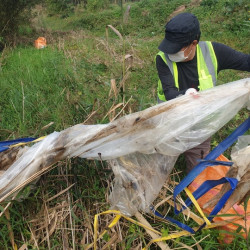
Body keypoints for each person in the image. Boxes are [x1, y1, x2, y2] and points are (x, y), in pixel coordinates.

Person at [156, 12, 250, 173]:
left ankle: (192, 185)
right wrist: (185, 95)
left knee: (197, 170)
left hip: (201, 124)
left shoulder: (213, 52)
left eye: (176, 49)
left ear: (194, 43)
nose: (171, 53)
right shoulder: (162, 58)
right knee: (160, 163)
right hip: (170, 120)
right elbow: (169, 91)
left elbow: (246, 62)